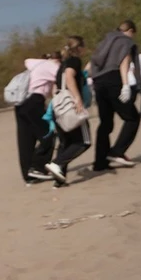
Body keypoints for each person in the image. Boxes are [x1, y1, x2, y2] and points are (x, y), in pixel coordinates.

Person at [89, 20, 141, 170]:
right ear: (130, 30)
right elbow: (124, 62)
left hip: (99, 83)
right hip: (114, 81)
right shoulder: (125, 42)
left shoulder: (105, 41)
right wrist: (125, 85)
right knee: (132, 118)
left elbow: (92, 63)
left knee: (105, 123)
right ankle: (117, 151)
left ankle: (100, 162)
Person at [46, 37, 92, 187]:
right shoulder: (74, 61)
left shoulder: (63, 63)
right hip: (70, 106)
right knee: (84, 142)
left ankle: (59, 179)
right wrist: (77, 99)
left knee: (66, 142)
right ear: (79, 48)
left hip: (58, 106)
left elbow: (56, 85)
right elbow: (70, 77)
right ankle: (57, 163)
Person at [15, 52, 60, 184]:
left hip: (21, 104)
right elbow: (64, 78)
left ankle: (28, 174)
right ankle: (38, 167)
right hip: (34, 102)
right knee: (49, 134)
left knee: (26, 140)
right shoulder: (50, 66)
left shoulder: (34, 65)